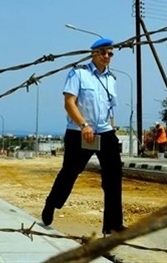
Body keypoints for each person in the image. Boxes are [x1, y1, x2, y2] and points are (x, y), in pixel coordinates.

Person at [41, 38, 126, 235]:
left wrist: (111, 131)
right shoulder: (78, 73)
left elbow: (110, 110)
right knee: (70, 172)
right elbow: (69, 103)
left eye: (110, 53)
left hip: (104, 132)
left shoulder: (111, 80)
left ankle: (113, 224)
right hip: (79, 132)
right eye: (103, 52)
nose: (107, 57)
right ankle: (52, 203)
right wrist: (83, 125)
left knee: (113, 176)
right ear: (93, 53)